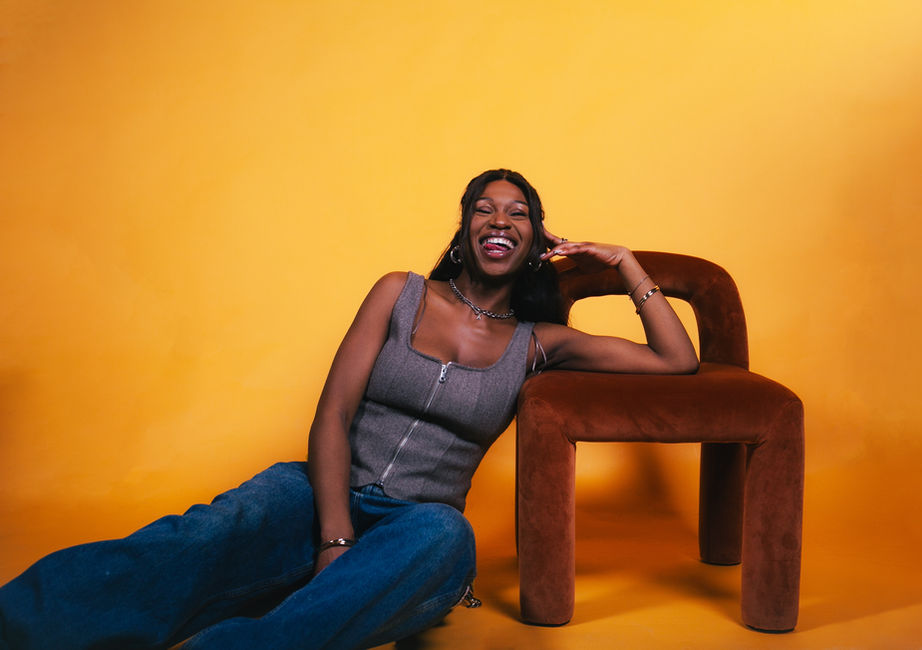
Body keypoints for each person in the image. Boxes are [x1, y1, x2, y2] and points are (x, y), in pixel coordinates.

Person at [0, 169, 698, 649]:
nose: (500, 219)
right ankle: (19, 620)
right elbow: (332, 413)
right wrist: (334, 541)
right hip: (317, 495)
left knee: (445, 536)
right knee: (197, 542)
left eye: (519, 213)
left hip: (413, 531)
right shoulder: (398, 292)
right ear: (464, 231)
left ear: (536, 243)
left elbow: (676, 360)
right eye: (484, 208)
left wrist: (623, 263)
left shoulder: (537, 343)